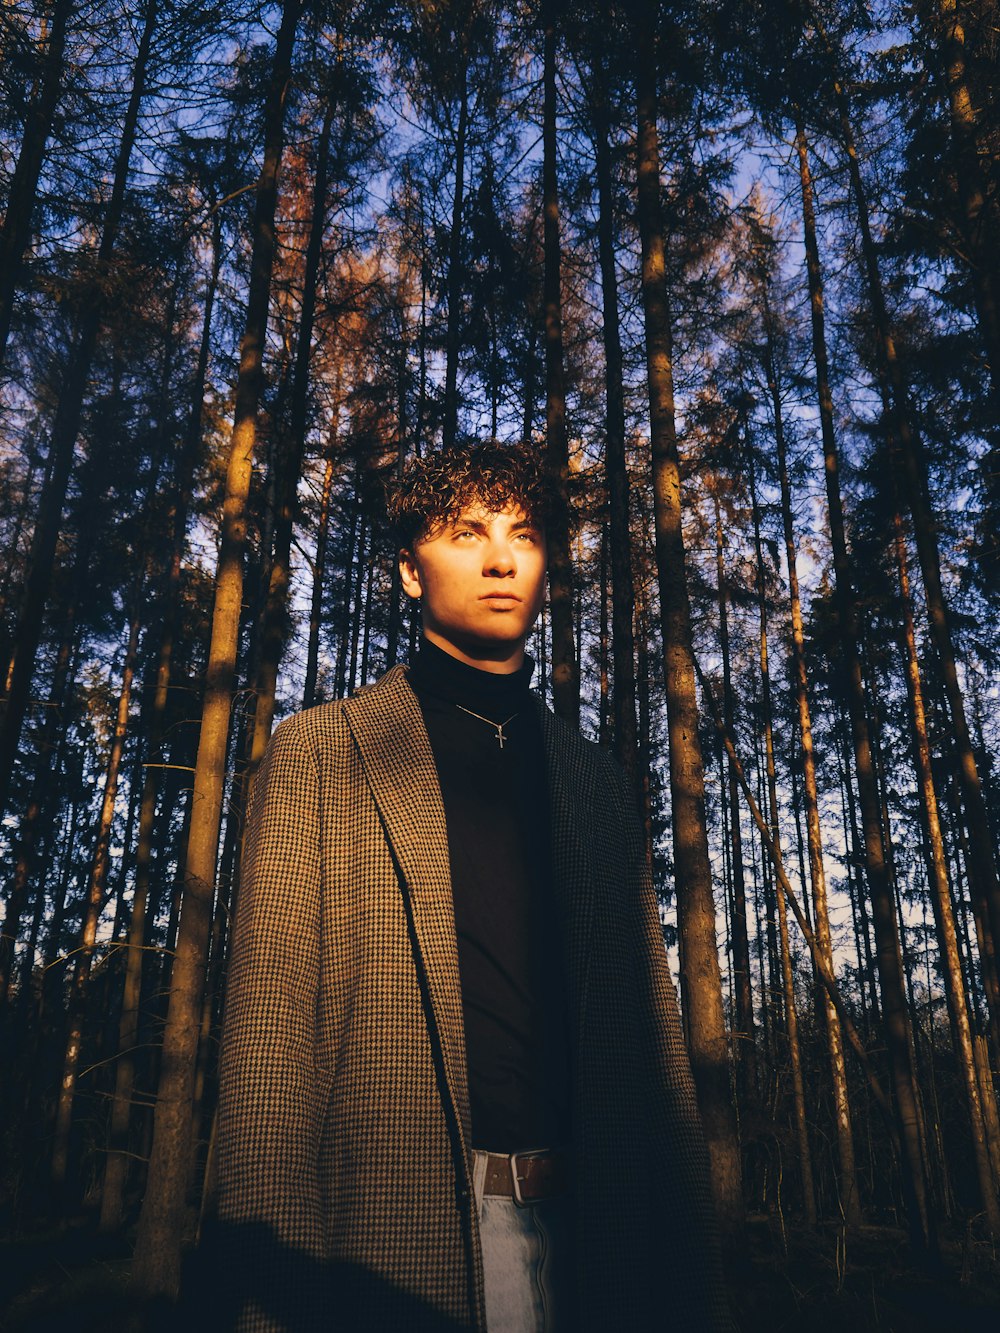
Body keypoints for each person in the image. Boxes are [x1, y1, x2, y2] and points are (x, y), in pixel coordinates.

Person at [213, 441, 729, 1331]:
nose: (501, 558)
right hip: (398, 1237)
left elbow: (653, 1048)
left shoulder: (595, 781)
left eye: (523, 536)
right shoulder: (320, 750)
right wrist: (267, 1294)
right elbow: (267, 1052)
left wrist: (688, 1271)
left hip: (601, 1237)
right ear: (410, 573)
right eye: (468, 533)